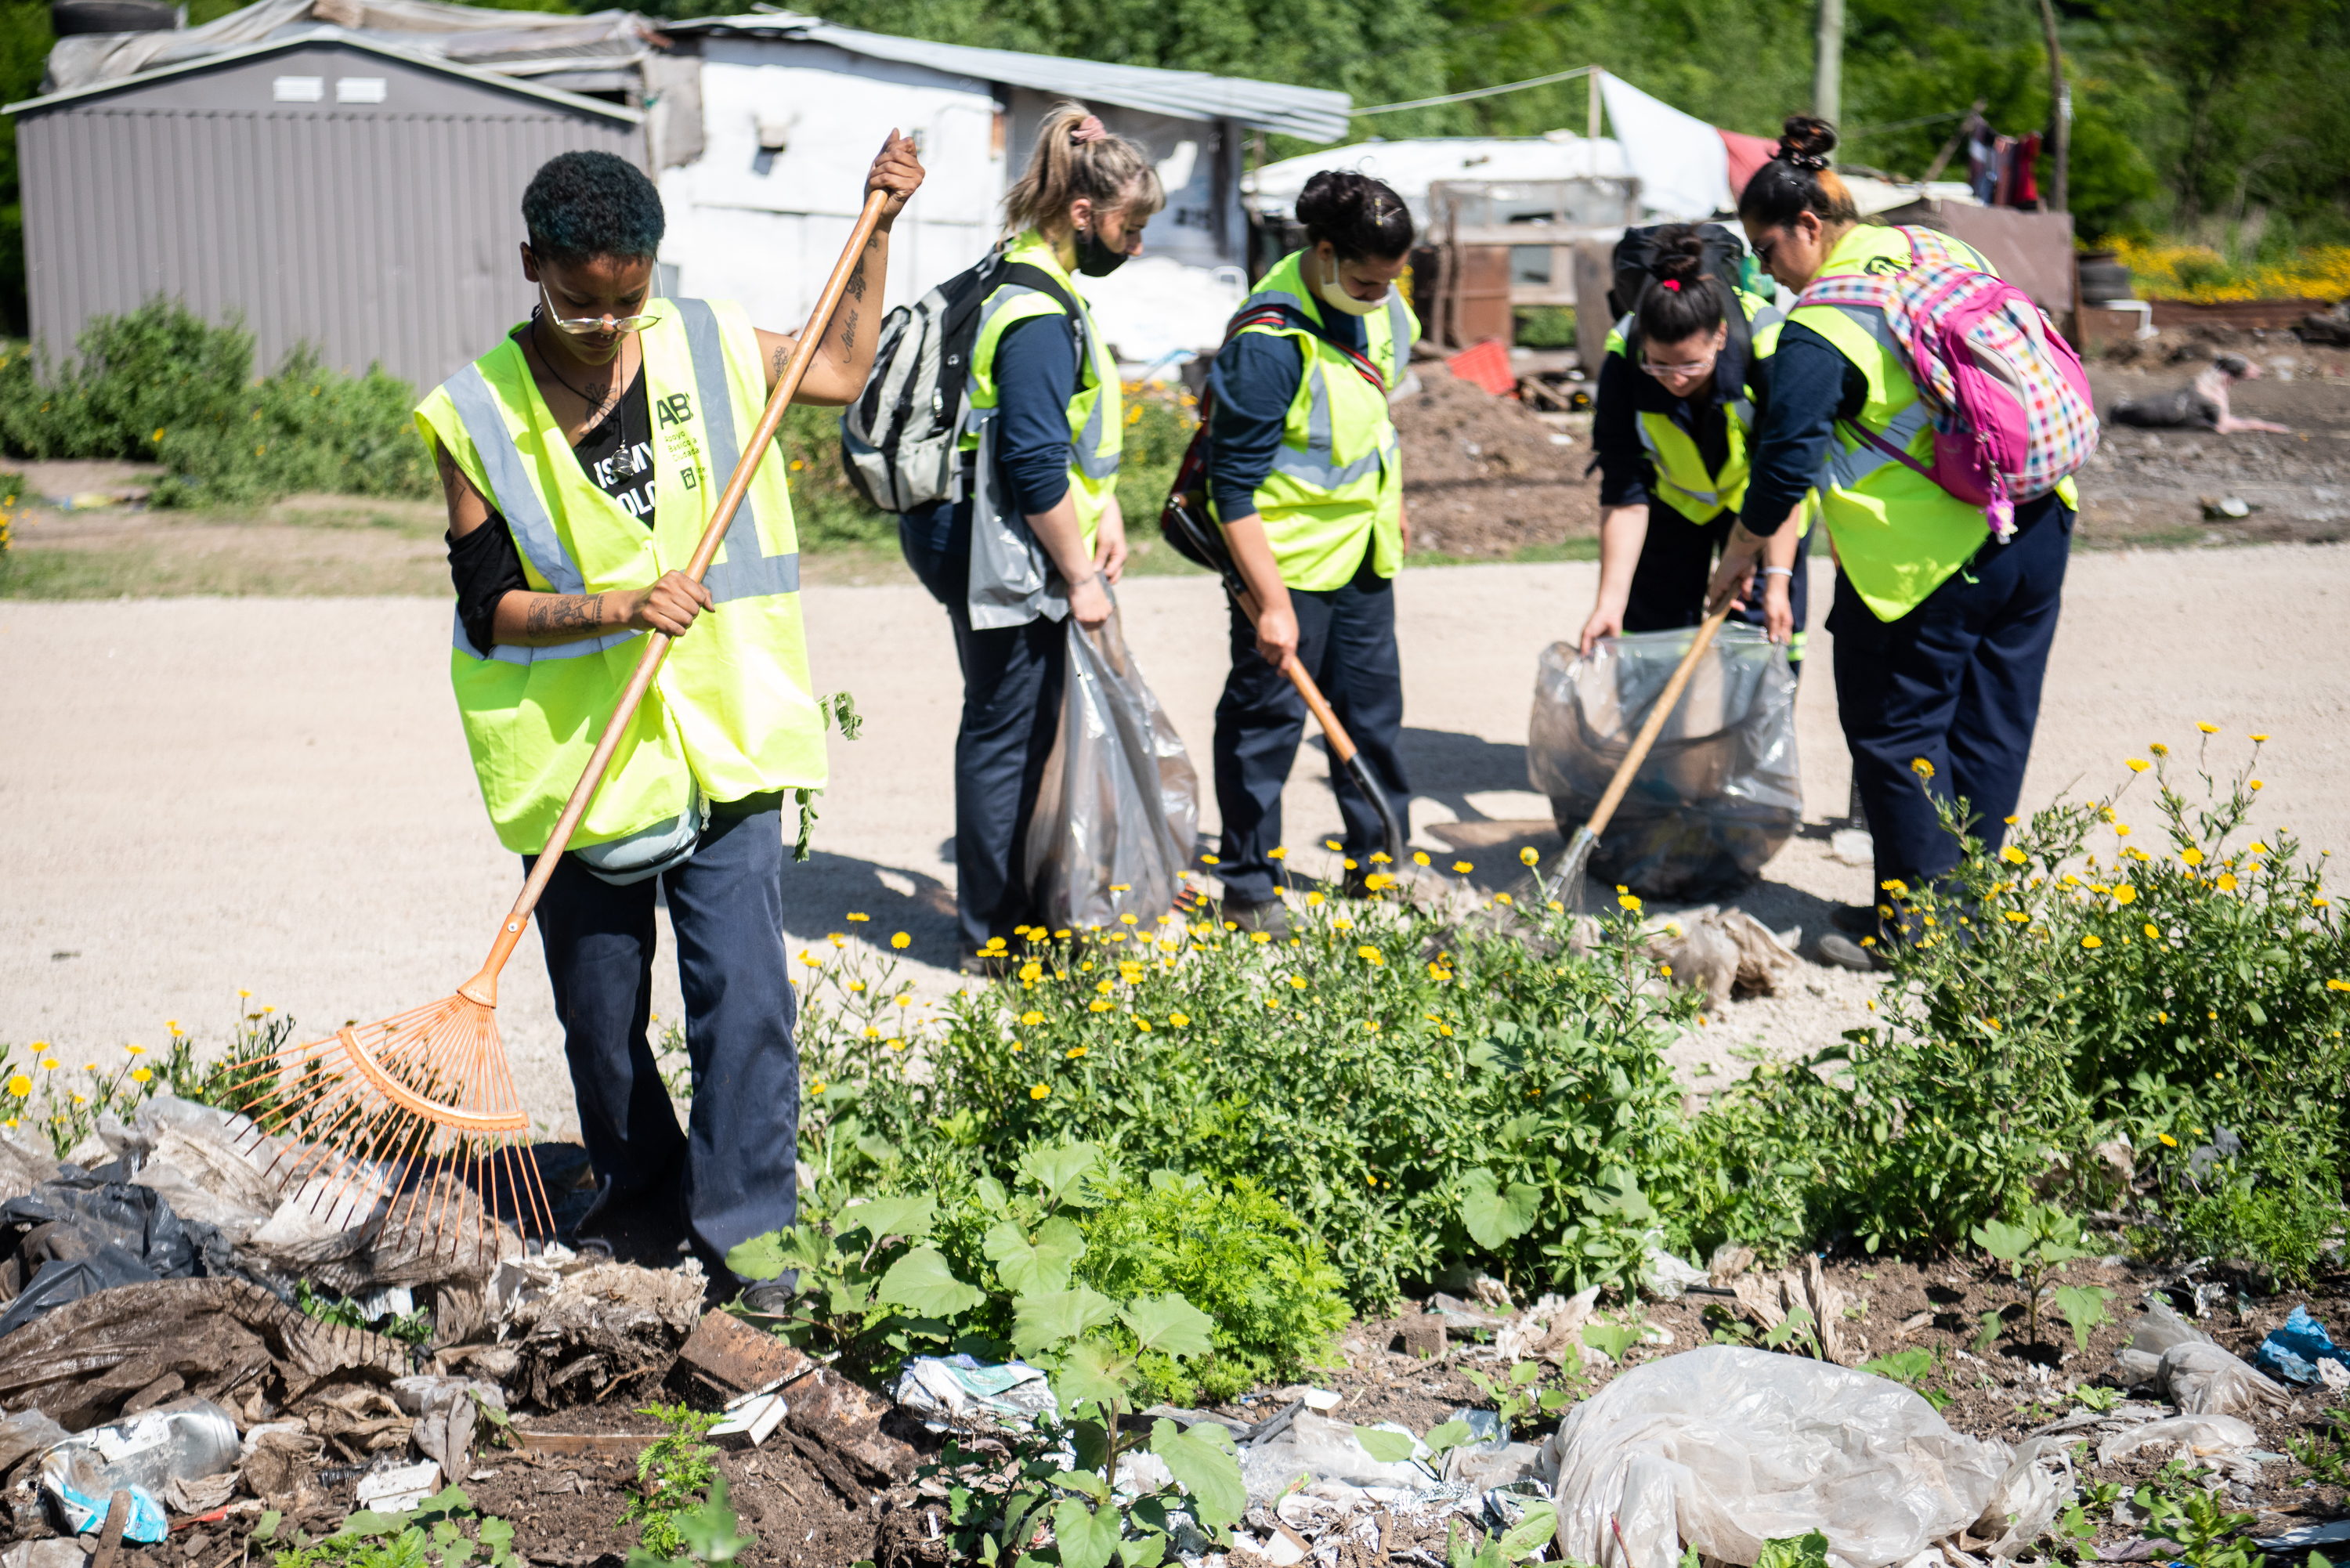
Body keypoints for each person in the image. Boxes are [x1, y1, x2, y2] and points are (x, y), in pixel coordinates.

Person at [414, 139, 925, 1310]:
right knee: (599, 1019)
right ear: (532, 262)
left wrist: (878, 221)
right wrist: (617, 607)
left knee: (744, 997)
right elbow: (490, 605)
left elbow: (841, 367)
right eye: (576, 301)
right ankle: (639, 1197)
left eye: (625, 299)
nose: (602, 324)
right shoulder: (475, 412)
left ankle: (752, 1241)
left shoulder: (707, 342)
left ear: (653, 269)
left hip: (726, 729)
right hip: (584, 763)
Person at [1705, 116, 2083, 974]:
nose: (1765, 271)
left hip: (1928, 559)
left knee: (1897, 730)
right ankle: (1967, 916)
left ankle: (1915, 930)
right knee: (1993, 725)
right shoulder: (1935, 249)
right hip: (2038, 515)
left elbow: (1784, 463)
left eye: (1767, 250)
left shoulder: (1823, 324)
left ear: (1810, 225)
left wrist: (1741, 550)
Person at [898, 102, 1163, 966]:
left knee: (1027, 724)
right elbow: (1035, 462)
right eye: (1130, 228)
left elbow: (1062, 444)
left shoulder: (1025, 272)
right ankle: (998, 933)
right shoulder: (1037, 313)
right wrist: (1082, 575)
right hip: (992, 548)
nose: (1137, 247)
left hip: (993, 534)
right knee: (1006, 733)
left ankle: (1024, 905)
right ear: (1082, 214)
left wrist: (1107, 502)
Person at [1206, 171, 1419, 932]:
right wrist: (1270, 603)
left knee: (1371, 716)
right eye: (1365, 280)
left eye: (1393, 281)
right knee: (1265, 729)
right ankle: (1249, 886)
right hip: (1285, 566)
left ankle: (1380, 860)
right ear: (1324, 254)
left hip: (1365, 554)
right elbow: (1229, 491)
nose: (1382, 295)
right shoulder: (1267, 344)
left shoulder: (1383, 301)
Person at [1579, 224, 1812, 667]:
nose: (1676, 379)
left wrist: (1776, 580)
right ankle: (1670, 735)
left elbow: (1784, 471)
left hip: (1764, 504)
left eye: (1691, 364)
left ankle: (1752, 736)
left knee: (1765, 632)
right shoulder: (1624, 358)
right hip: (1674, 502)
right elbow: (1624, 486)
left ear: (1720, 337)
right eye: (1660, 365)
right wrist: (1609, 603)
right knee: (1653, 639)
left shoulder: (1768, 345)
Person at [2109, 352, 2289, 434]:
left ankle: (2122, 409)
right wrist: (2260, 425)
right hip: (2128, 416)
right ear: (2227, 376)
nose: (2256, 371)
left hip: (2124, 413)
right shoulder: (2207, 398)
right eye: (2247, 368)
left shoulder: (2200, 389)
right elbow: (2222, 426)